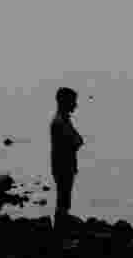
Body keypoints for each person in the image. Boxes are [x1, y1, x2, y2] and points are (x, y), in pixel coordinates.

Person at [50, 86, 84, 231]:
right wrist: (75, 141)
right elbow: (74, 141)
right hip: (63, 164)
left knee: (64, 195)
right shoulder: (59, 122)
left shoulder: (63, 120)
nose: (75, 105)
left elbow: (76, 140)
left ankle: (62, 222)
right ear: (65, 102)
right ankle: (61, 225)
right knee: (63, 195)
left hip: (65, 163)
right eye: (73, 101)